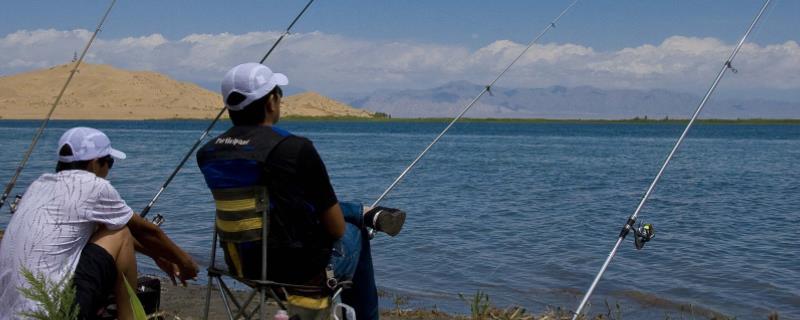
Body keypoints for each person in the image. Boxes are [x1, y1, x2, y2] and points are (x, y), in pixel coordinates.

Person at [196, 62, 406, 320]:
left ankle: (362, 211)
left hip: (242, 267)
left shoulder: (208, 154)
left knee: (299, 207)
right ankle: (363, 216)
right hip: (300, 274)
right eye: (279, 95)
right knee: (356, 233)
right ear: (271, 102)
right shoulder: (295, 149)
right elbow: (337, 230)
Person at [0, 127, 199, 320]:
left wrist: (157, 254)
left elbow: (102, 230)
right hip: (51, 311)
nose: (109, 170)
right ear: (95, 164)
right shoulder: (93, 186)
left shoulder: (38, 185)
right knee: (120, 231)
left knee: (112, 229)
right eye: (109, 162)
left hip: (10, 313)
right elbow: (144, 231)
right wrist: (186, 263)